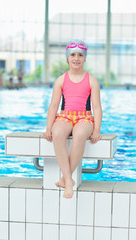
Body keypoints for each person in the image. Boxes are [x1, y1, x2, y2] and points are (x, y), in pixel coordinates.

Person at [43, 39, 102, 199]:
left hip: (85, 117)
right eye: (73, 55)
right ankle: (69, 180)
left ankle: (65, 179)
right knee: (57, 133)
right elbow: (53, 106)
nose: (76, 58)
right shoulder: (61, 80)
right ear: (67, 58)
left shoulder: (91, 80)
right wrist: (48, 127)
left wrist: (96, 129)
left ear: (85, 58)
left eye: (80, 55)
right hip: (65, 116)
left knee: (80, 135)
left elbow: (96, 107)